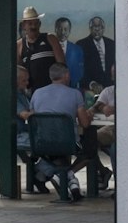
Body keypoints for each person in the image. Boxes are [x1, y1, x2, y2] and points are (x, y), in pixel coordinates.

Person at [20, 63, 88, 202]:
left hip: (41, 142)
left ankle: (61, 177)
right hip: (68, 143)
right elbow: (85, 123)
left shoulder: (37, 93)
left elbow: (33, 117)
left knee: (56, 153)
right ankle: (68, 175)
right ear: (67, 75)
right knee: (90, 148)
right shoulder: (75, 94)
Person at [16, 7, 60, 99]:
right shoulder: (19, 45)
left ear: (40, 24)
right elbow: (19, 73)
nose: (33, 26)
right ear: (24, 25)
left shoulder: (51, 39)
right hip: (31, 96)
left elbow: (62, 66)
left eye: (36, 23)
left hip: (52, 93)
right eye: (30, 23)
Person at [70, 16, 116, 92]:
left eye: (99, 28)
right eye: (94, 28)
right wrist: (91, 83)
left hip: (110, 89)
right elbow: (78, 70)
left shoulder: (112, 44)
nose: (97, 31)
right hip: (89, 90)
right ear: (90, 29)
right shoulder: (81, 45)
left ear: (103, 29)